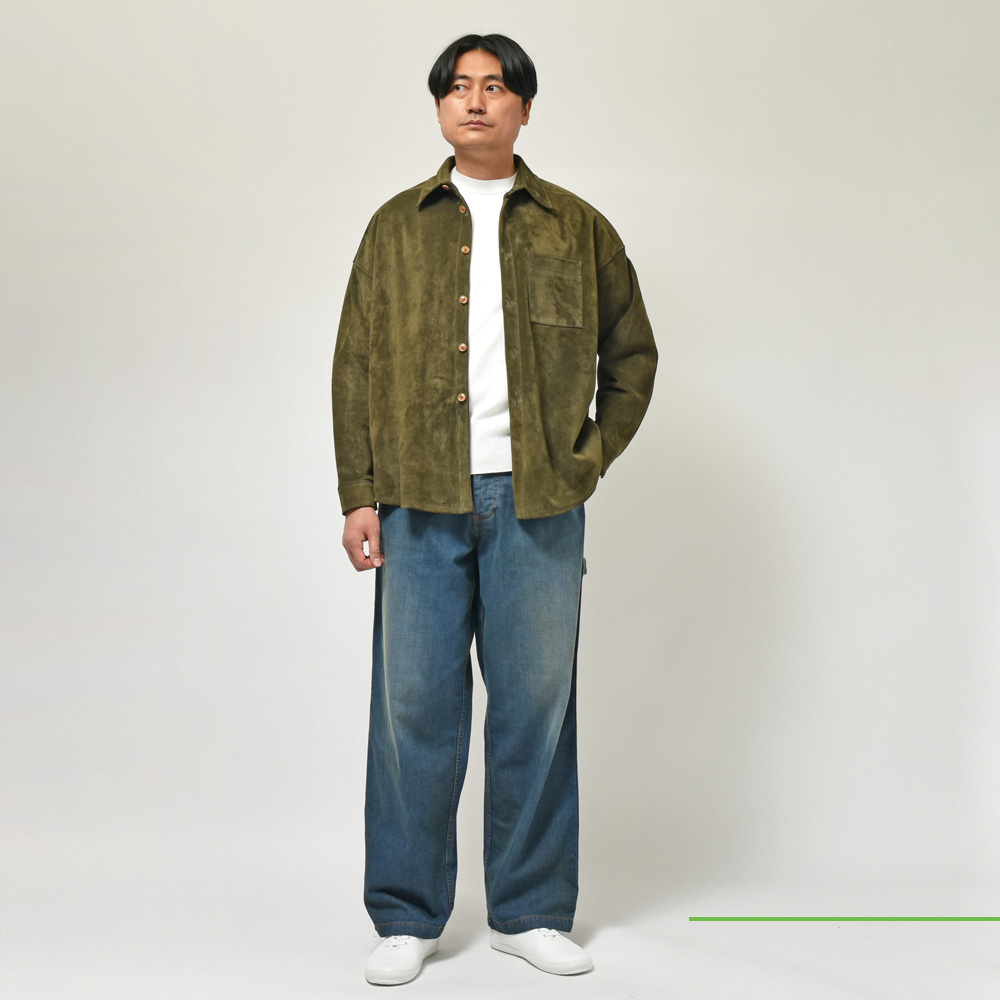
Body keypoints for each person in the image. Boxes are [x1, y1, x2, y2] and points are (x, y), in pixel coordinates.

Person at [331, 33, 657, 986]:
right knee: (413, 713)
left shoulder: (578, 229)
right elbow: (355, 365)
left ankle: (531, 910)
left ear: (524, 108)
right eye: (459, 88)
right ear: (441, 107)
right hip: (417, 501)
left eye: (495, 87)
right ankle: (406, 916)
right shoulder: (395, 228)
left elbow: (632, 357)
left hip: (538, 504)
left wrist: (585, 459)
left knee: (535, 711)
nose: (475, 101)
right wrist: (359, 493)